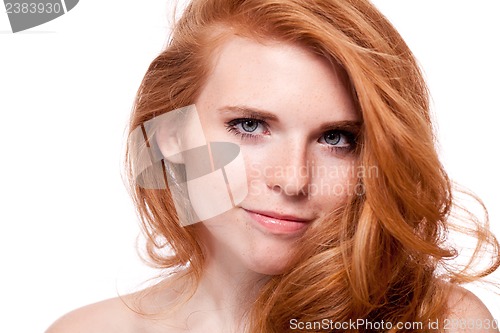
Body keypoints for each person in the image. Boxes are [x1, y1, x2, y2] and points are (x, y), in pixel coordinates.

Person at [46, 0, 499, 332]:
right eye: (249, 125)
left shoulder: (441, 323)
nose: (293, 179)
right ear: (171, 137)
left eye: (336, 138)